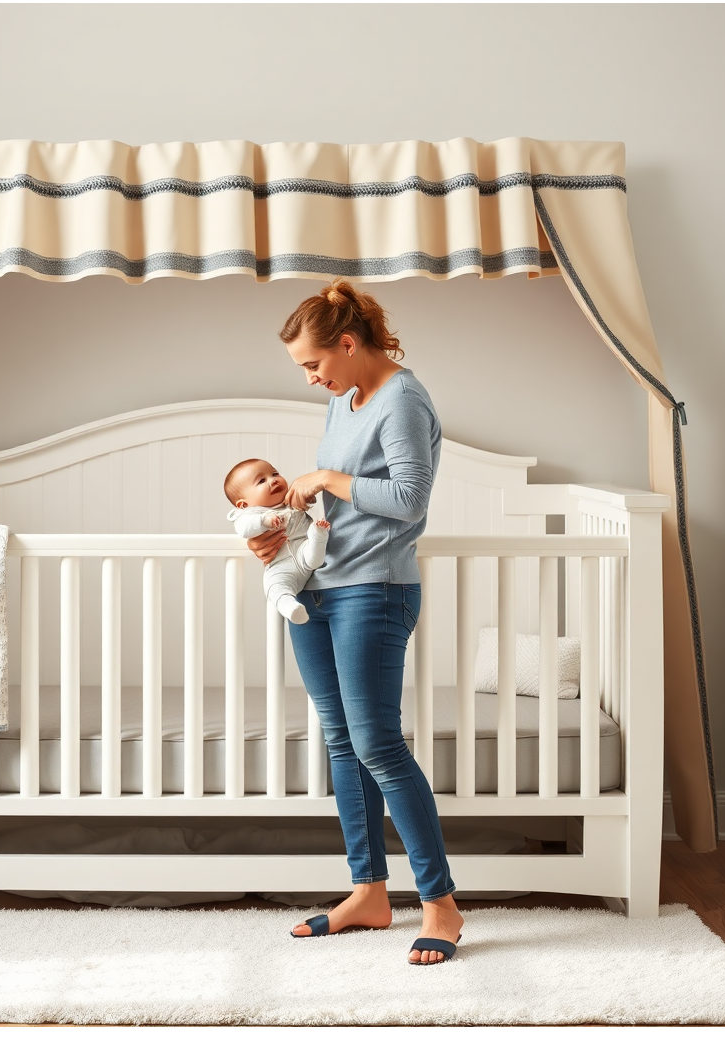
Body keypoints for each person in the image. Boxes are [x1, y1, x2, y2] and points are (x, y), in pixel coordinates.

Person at [248, 279, 463, 965]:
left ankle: (440, 904)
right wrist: (275, 535)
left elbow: (405, 498)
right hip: (319, 587)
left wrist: (325, 480)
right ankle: (368, 891)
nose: (312, 378)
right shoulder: (345, 398)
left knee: (377, 743)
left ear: (347, 342)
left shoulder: (403, 398)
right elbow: (325, 510)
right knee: (342, 741)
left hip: (375, 588)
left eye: (314, 364)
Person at [224, 458, 330, 624]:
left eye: (275, 474)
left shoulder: (290, 501)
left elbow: (308, 500)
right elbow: (244, 528)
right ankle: (290, 607)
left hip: (304, 551)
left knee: (313, 551)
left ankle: (319, 534)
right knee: (274, 586)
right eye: (261, 480)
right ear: (244, 504)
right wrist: (264, 521)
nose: (272, 480)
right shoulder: (247, 515)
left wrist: (306, 497)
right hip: (281, 565)